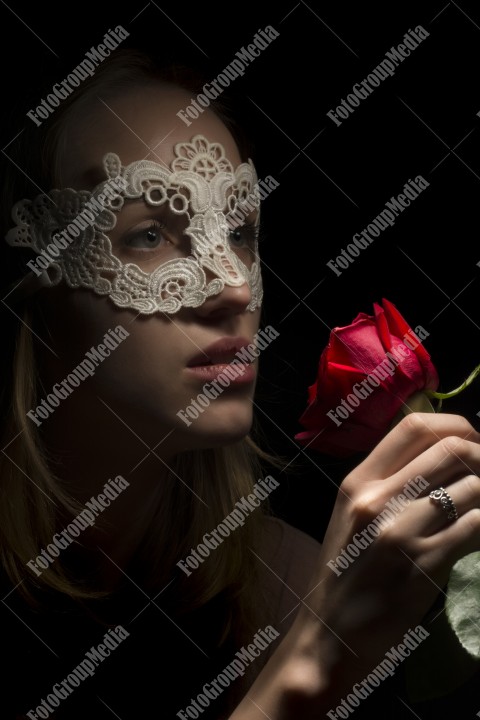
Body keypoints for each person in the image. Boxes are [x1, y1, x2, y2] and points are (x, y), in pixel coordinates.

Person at [1, 47, 480, 720]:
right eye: (148, 235)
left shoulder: (285, 584)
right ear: (34, 278)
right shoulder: (315, 615)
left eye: (239, 229)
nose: (231, 288)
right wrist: (311, 670)